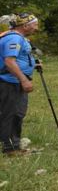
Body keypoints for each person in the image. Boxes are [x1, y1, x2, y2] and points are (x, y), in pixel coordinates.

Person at [0, 14, 40, 156]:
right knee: (12, 113)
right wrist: (24, 80)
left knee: (17, 112)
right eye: (34, 25)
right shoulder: (14, 38)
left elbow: (20, 58)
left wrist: (33, 64)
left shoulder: (19, 38)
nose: (36, 28)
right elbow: (9, 61)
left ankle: (13, 144)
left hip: (13, 80)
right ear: (25, 26)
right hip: (10, 81)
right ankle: (10, 148)